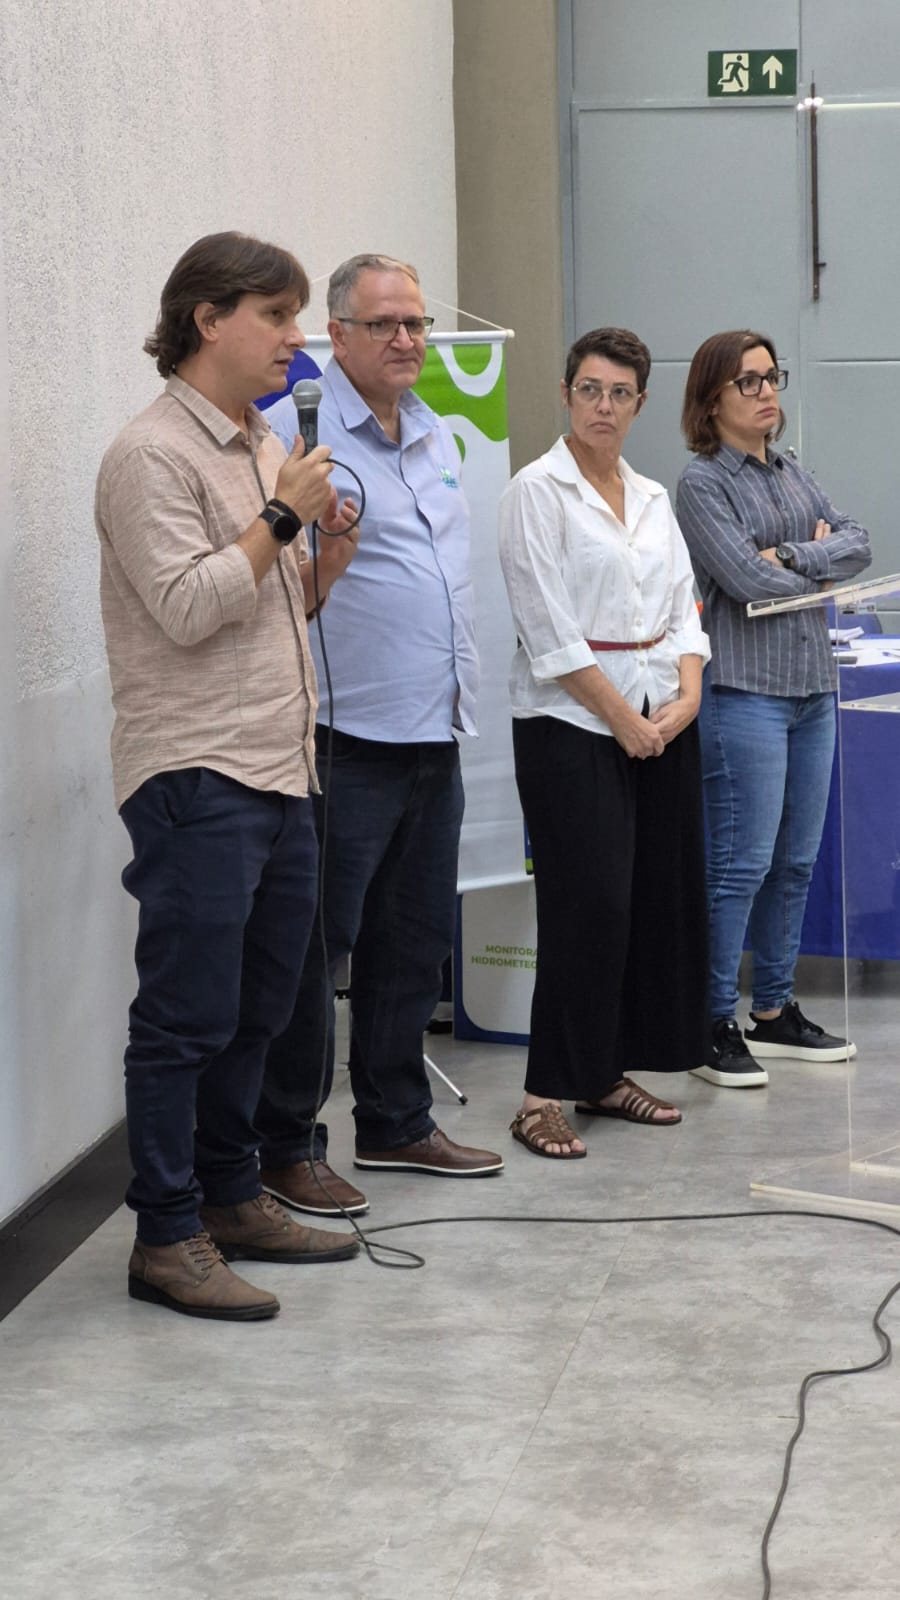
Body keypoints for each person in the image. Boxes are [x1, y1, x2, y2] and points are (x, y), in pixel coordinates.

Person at [96, 231, 362, 1321]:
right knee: (186, 1016)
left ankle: (230, 1193)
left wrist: (321, 559)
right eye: (278, 317)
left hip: (280, 767)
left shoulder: (262, 444)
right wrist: (284, 516)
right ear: (208, 320)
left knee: (262, 1009)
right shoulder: (149, 455)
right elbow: (187, 607)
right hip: (196, 774)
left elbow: (268, 606)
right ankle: (166, 1236)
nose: (298, 340)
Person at [255, 253, 502, 1214]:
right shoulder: (295, 436)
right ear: (338, 336)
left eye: (416, 324)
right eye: (384, 324)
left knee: (412, 941)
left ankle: (397, 1122)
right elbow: (272, 590)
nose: (406, 339)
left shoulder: (434, 433)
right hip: (342, 736)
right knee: (314, 952)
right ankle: (287, 1144)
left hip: (434, 728)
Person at [497, 327, 711, 1159]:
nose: (603, 406)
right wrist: (623, 718)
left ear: (640, 404)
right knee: (588, 906)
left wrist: (688, 695)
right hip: (572, 724)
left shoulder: (652, 497)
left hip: (661, 715)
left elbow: (685, 606)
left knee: (649, 899)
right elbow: (547, 628)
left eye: (620, 394)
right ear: (565, 394)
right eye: (590, 389)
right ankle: (541, 1096)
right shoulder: (536, 492)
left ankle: (603, 1072)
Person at [676, 329, 872, 1088]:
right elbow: (742, 580)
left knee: (795, 862)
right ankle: (711, 1021)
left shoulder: (793, 473)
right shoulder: (702, 484)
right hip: (744, 694)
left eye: (771, 377)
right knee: (743, 865)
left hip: (812, 689)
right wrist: (813, 567)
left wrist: (792, 555)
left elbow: (858, 543)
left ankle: (774, 1009)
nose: (766, 392)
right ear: (712, 400)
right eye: (748, 381)